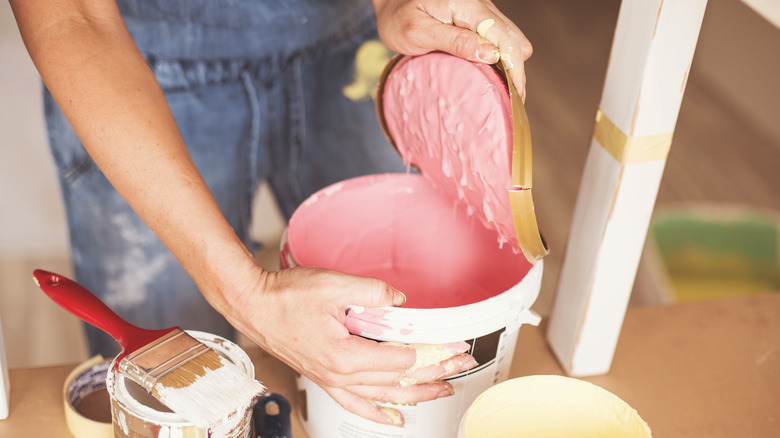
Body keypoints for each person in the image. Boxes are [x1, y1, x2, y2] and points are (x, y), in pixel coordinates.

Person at [10, 0, 532, 426]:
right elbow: (69, 15)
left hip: (350, 39)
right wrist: (244, 292)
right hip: (132, 56)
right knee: (173, 394)